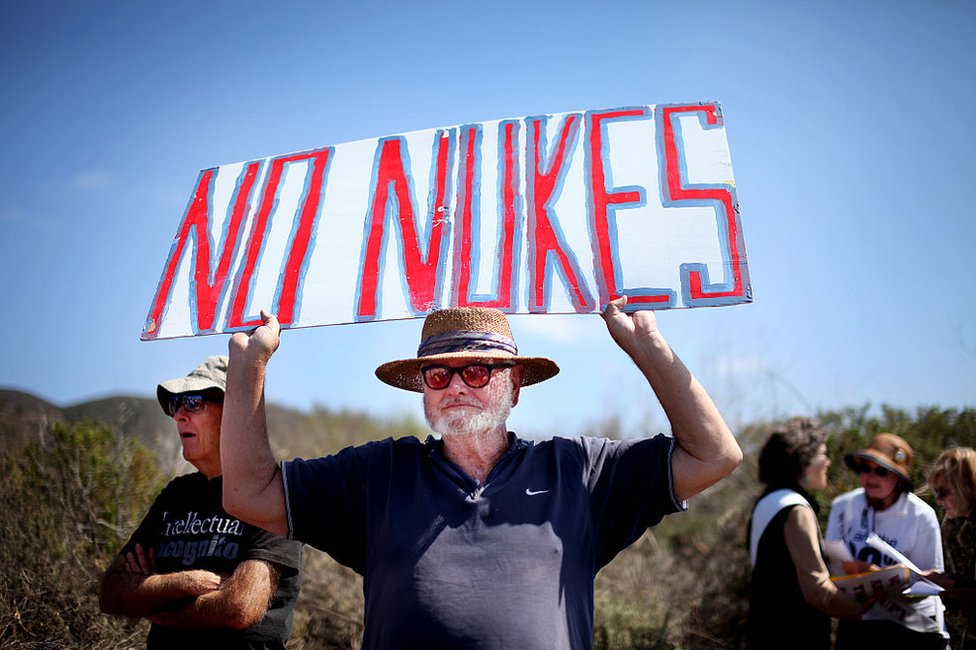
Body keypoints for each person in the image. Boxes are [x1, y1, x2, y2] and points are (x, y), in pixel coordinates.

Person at [219, 298, 742, 649]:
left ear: (514, 385)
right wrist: (249, 367)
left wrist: (647, 346)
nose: (455, 386)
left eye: (476, 371)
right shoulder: (379, 473)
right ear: (423, 388)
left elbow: (714, 454)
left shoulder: (578, 470)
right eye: (438, 374)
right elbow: (249, 493)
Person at [99, 356, 304, 650]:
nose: (179, 415)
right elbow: (111, 593)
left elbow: (239, 607)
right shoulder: (175, 495)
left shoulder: (272, 491)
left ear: (236, 411)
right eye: (176, 404)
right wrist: (188, 582)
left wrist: (150, 600)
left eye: (193, 402)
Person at [746, 418, 871, 649]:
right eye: (823, 453)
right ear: (803, 460)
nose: (828, 461)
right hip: (796, 634)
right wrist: (863, 612)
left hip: (763, 629)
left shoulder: (766, 501)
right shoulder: (796, 509)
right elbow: (816, 589)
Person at [825, 433, 948, 649]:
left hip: (908, 627)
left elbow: (931, 582)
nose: (871, 478)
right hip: (858, 620)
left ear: (898, 478)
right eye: (865, 469)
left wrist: (880, 576)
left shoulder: (921, 516)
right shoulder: (843, 505)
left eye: (881, 471)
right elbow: (833, 559)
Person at [925, 448, 976, 649]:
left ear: (965, 486)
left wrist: (949, 583)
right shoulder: (952, 523)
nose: (938, 500)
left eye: (942, 492)